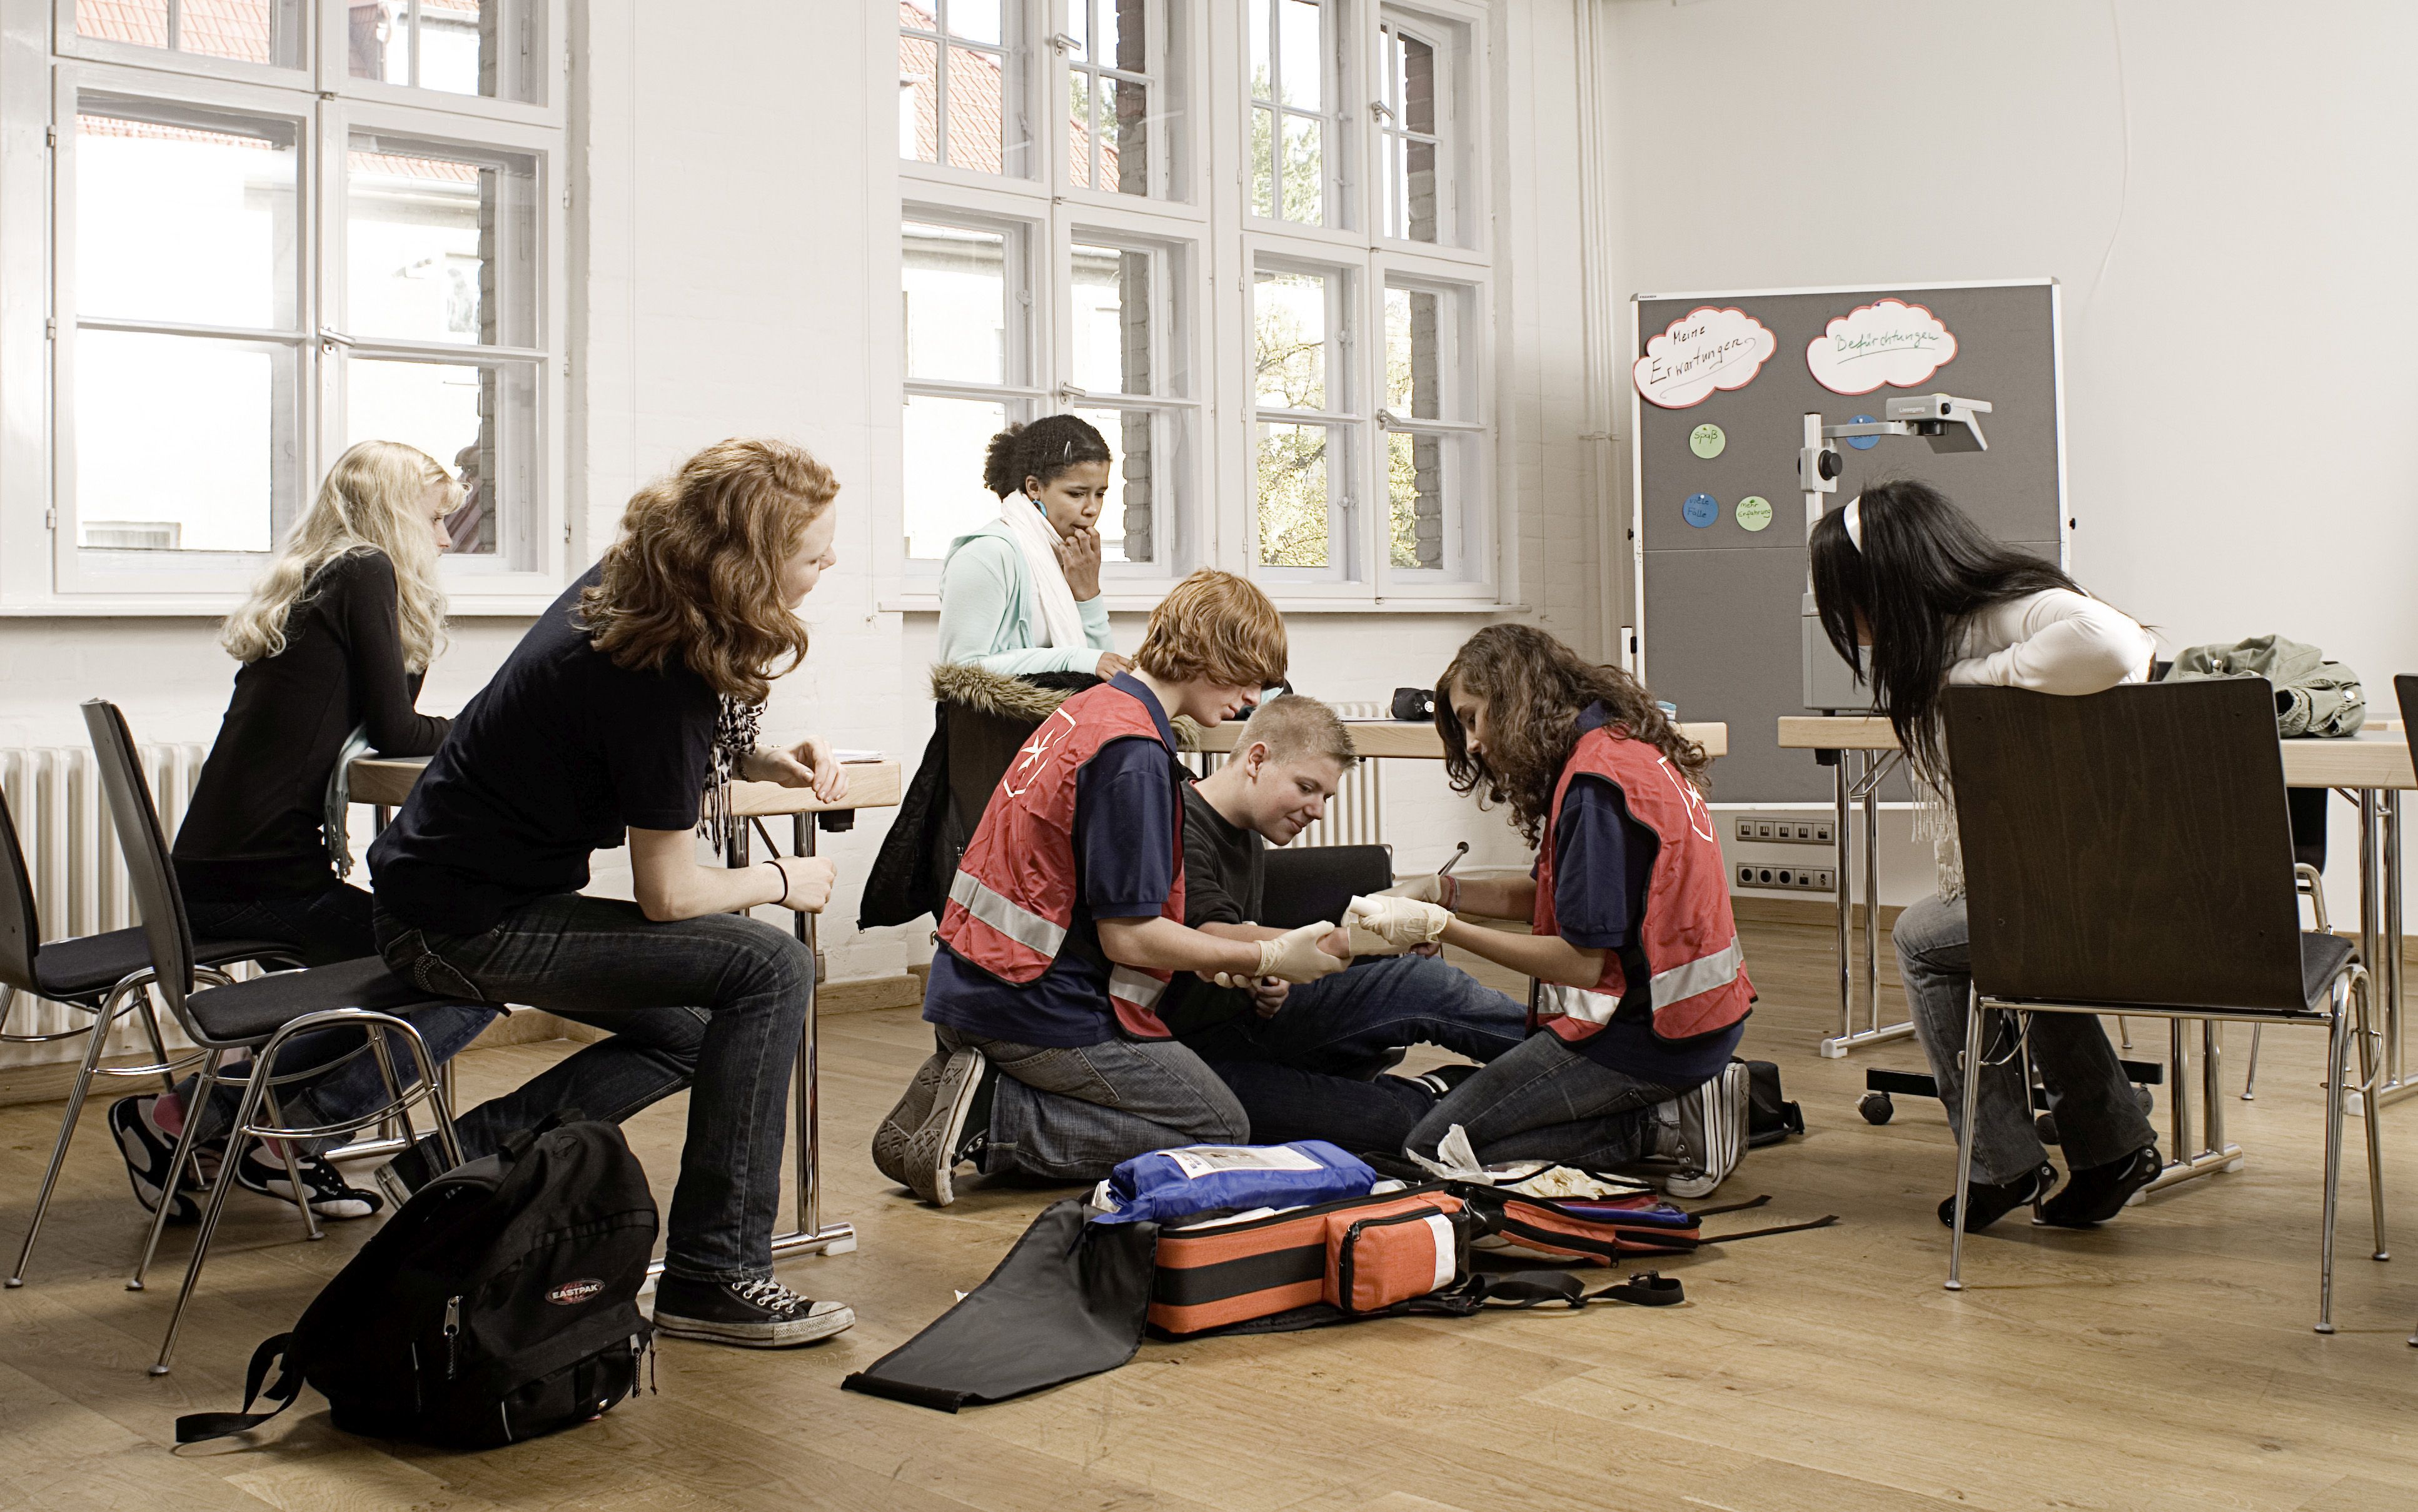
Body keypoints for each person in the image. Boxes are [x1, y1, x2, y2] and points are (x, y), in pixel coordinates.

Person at [367, 437, 856, 1349]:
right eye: (811, 553)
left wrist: (759, 756)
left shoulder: (637, 586)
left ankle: (450, 1161)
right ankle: (716, 1274)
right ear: (745, 565)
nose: (830, 565)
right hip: (459, 923)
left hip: (446, 898)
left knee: (708, 1033)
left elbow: (651, 743)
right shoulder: (652, 671)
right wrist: (785, 878)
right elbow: (669, 893)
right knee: (773, 965)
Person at [110, 441, 495, 1226]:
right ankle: (283, 1137)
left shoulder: (324, 579)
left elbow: (387, 722)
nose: (448, 541)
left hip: (225, 877)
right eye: (436, 522)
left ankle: (190, 1120)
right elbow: (398, 725)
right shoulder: (363, 571)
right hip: (259, 887)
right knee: (471, 970)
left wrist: (415, 618)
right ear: (394, 518)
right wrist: (500, 733)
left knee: (413, 963)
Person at [874, 571, 1346, 1206]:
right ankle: (993, 1118)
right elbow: (1129, 937)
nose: (1252, 696)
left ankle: (960, 1092)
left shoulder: (1090, 710)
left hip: (974, 992)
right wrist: (1262, 955)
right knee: (1220, 1127)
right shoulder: (1133, 751)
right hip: (1031, 1007)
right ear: (1209, 653)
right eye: (1248, 675)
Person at [1808, 480, 2162, 1229]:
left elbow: (2118, 643)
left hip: (2101, 885)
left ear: (1886, 583)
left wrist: (1969, 682)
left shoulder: (2005, 615)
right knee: (2002, 944)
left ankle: (2002, 1163)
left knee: (1924, 938)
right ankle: (2109, 1148)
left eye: (1847, 596)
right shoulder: (1964, 627)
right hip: (2076, 876)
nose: (1845, 618)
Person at [1394, 625, 1754, 1175]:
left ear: (1513, 701)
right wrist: (1446, 890)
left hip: (1648, 1041)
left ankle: (1662, 1128)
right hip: (1693, 1022)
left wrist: (1443, 926)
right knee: (1480, 1114)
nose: (1471, 743)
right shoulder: (1618, 749)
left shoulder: (1592, 790)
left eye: (1473, 717)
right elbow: (1564, 900)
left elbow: (1581, 963)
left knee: (1434, 1150)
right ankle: (1666, 1110)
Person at [1163, 695, 1527, 1152]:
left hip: (1244, 1027)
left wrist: (1265, 979)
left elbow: (1237, 948)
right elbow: (1214, 936)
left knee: (1424, 985)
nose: (1317, 810)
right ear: (1257, 759)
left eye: (1325, 797)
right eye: (1305, 787)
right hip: (1192, 1060)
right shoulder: (1178, 824)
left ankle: (1579, 1063)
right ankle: (1458, 1093)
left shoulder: (1245, 835)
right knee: (1406, 1125)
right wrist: (1367, 938)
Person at [935, 414, 1132, 678]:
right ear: (1034, 488)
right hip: (1001, 720)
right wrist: (1075, 659)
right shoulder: (986, 555)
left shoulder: (1066, 554)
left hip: (1062, 717)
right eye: (1077, 494)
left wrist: (1087, 593)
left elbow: (1103, 676)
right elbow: (961, 670)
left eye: (1100, 494)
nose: (1092, 509)